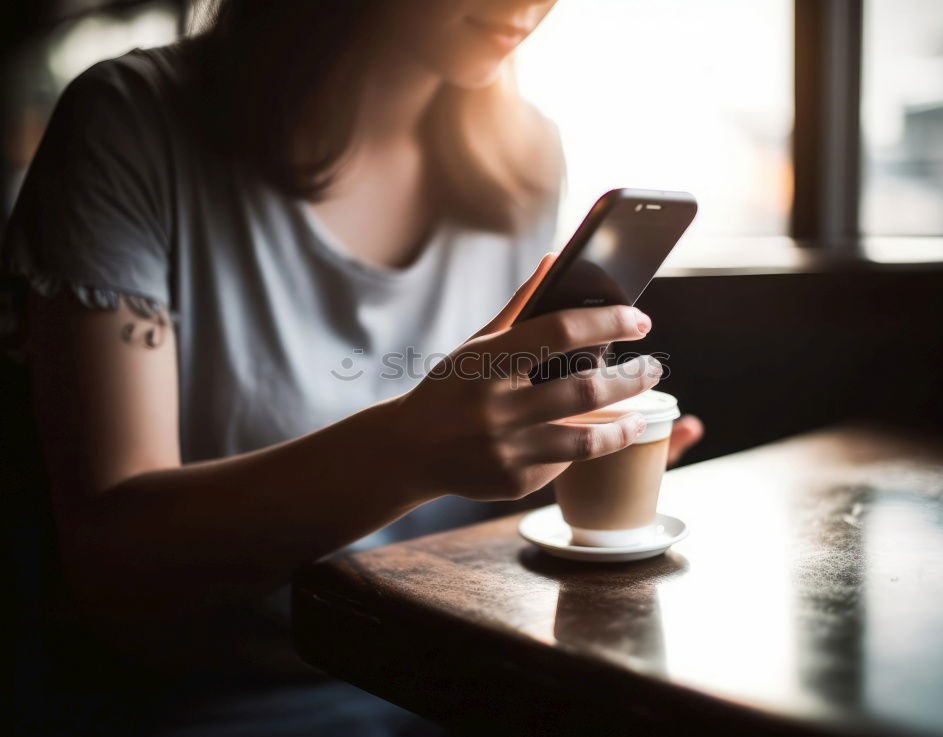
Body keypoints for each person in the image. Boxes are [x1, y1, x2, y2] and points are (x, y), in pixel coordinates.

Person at [1, 0, 704, 734]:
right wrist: (406, 454)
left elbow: (470, 520)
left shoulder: (524, 154)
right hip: (200, 705)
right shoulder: (132, 124)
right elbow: (113, 562)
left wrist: (567, 460)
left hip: (450, 680)